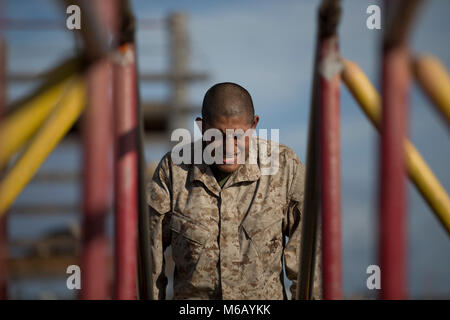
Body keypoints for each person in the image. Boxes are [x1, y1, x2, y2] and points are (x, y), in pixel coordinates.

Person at [146, 82, 321, 300]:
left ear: (254, 124)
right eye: (217, 136)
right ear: (202, 127)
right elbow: (148, 262)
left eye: (238, 135)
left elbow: (310, 267)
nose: (229, 146)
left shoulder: (284, 168)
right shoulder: (173, 172)